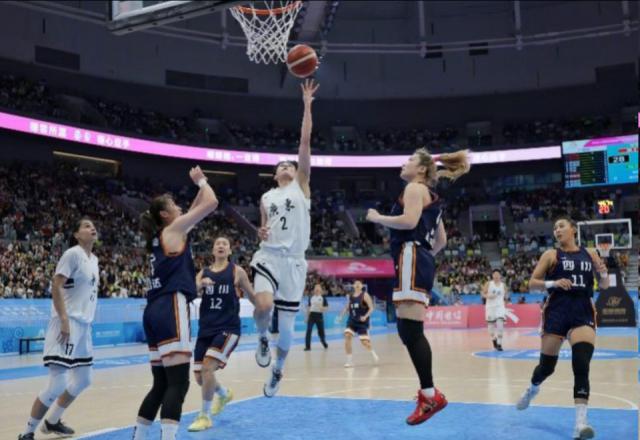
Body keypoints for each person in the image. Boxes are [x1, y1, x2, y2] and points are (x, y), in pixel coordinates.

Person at [366, 148, 470, 426]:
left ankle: (430, 396)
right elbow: (441, 241)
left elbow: (409, 221)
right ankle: (429, 394)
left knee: (411, 330)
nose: (405, 163)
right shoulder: (431, 197)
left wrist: (377, 218)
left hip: (411, 256)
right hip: (417, 257)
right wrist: (424, 257)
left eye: (410, 160)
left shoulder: (414, 188)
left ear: (422, 169)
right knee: (406, 328)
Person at [133, 166, 218, 440]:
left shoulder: (164, 235)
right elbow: (211, 202)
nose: (180, 206)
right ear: (165, 214)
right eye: (174, 205)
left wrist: (198, 189)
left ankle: (139, 436)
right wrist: (201, 181)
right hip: (170, 306)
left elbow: (194, 210)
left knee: (161, 384)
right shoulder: (173, 230)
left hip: (153, 310)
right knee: (178, 383)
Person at [250, 79, 319, 397]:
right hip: (269, 255)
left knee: (289, 327)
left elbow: (304, 142)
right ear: (275, 174)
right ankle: (263, 337)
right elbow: (263, 227)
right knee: (263, 305)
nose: (287, 166)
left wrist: (306, 105)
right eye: (282, 166)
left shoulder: (301, 185)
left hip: (294, 262)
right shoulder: (266, 197)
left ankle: (278, 369)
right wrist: (261, 231)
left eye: (290, 164)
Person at [516, 216, 608, 440]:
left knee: (581, 365)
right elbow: (532, 283)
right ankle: (532, 388)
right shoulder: (551, 255)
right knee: (546, 368)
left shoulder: (591, 253)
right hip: (557, 312)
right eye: (555, 228)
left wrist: (604, 272)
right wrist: (553, 283)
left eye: (561, 226)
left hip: (582, 311)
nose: (557, 230)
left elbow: (604, 285)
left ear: (573, 230)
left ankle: (580, 424)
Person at [18, 219, 100, 439]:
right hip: (67, 322)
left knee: (84, 379)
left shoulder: (94, 260)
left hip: (84, 326)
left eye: (93, 225)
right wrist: (63, 319)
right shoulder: (72, 254)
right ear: (76, 234)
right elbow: (56, 285)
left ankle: (52, 421)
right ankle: (27, 433)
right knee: (58, 383)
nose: (92, 228)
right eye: (86, 226)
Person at [188, 236, 257, 432]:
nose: (220, 245)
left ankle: (205, 416)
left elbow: (252, 295)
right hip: (205, 329)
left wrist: (264, 310)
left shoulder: (237, 271)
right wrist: (200, 285)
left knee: (207, 369)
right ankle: (224, 394)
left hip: (228, 328)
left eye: (224, 244)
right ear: (212, 250)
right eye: (217, 243)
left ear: (229, 251)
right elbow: (190, 291)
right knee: (200, 378)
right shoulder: (203, 273)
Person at [338, 280, 378, 368]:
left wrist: (365, 316)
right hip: (352, 321)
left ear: (361, 286)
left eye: (359, 283)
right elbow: (347, 307)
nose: (357, 285)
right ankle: (349, 361)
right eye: (355, 283)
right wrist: (341, 316)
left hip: (362, 322)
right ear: (353, 286)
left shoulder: (365, 295)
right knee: (347, 336)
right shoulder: (351, 296)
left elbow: (371, 308)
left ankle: (373, 353)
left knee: (365, 342)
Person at [481, 269, 507, 351]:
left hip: (500, 307)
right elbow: (483, 293)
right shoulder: (489, 284)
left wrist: (504, 303)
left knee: (500, 324)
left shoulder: (503, 285)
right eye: (494, 274)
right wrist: (488, 296)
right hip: (490, 307)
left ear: (500, 276)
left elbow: (505, 296)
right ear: (492, 275)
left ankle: (499, 343)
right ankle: (494, 339)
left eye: (497, 274)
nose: (496, 276)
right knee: (491, 328)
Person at [304, 283, 328, 351]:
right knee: (309, 330)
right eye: (316, 288)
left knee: (321, 332)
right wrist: (306, 317)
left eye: (318, 288)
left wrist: (321, 307)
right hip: (311, 316)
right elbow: (309, 308)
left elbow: (326, 307)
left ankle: (323, 342)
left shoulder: (323, 298)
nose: (317, 289)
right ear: (314, 290)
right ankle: (308, 346)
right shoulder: (311, 297)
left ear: (320, 289)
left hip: (319, 316)